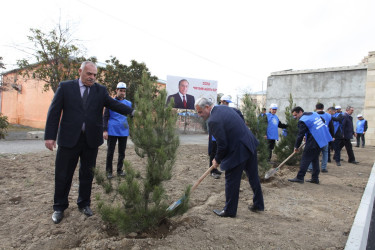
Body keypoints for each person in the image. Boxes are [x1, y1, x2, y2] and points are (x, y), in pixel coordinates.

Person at [44, 61, 135, 224]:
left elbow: (113, 104)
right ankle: (59, 207)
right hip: (68, 139)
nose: (92, 77)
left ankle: (84, 204)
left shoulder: (100, 90)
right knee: (63, 174)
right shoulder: (65, 87)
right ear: (80, 71)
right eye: (89, 74)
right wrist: (50, 136)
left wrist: (132, 111)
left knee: (87, 174)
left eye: (94, 75)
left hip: (90, 140)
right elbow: (54, 111)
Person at [195, 98, 264, 217]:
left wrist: (216, 159)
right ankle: (259, 204)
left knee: (231, 180)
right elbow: (239, 115)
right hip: (249, 143)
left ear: (207, 107)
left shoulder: (213, 120)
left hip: (238, 150)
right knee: (253, 176)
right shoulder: (225, 108)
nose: (199, 115)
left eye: (200, 112)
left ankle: (230, 211)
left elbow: (222, 145)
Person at [288, 106, 332, 184]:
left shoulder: (303, 120)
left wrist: (296, 146)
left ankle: (300, 177)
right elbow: (323, 120)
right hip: (322, 139)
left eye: (296, 115)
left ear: (300, 112)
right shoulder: (313, 114)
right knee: (314, 158)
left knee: (305, 157)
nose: (295, 117)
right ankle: (315, 178)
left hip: (314, 140)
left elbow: (300, 135)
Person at [103, 82, 132, 179]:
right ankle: (109, 172)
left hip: (124, 131)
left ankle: (119, 170)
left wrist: (131, 129)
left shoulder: (128, 103)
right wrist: (105, 130)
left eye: (124, 91)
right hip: (112, 130)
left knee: (122, 152)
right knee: (110, 152)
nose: (122, 93)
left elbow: (130, 117)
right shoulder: (110, 102)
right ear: (116, 90)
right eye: (121, 90)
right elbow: (105, 116)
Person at [307, 103, 334, 173]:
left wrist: (306, 136)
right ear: (323, 108)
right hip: (325, 137)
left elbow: (309, 127)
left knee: (313, 153)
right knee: (325, 152)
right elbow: (331, 127)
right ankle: (324, 168)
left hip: (315, 137)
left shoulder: (313, 115)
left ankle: (310, 167)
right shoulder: (328, 116)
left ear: (316, 108)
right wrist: (332, 136)